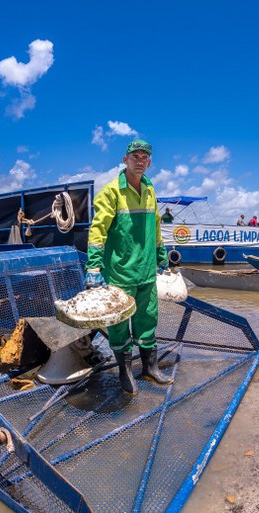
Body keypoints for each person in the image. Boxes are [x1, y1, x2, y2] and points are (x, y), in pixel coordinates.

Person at [85, 139, 173, 394]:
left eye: (144, 156)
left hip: (146, 272)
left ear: (150, 161)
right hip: (120, 274)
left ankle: (150, 368)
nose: (140, 160)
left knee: (147, 321)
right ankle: (125, 372)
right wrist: (93, 268)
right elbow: (98, 230)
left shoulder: (150, 189)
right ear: (125, 160)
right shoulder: (111, 191)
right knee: (119, 326)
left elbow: (155, 225)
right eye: (135, 155)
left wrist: (160, 253)